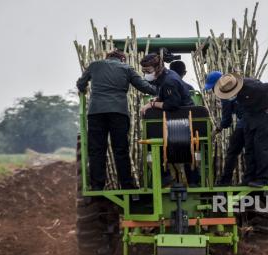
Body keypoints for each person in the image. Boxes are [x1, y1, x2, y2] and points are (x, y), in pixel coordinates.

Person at [76, 49, 158, 190]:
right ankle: (126, 185)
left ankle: (97, 186)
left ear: (107, 58)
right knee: (120, 150)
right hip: (118, 113)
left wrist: (83, 89)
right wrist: (160, 91)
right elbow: (143, 86)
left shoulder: (94, 65)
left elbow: (80, 83)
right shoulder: (126, 68)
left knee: (97, 150)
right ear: (122, 59)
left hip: (96, 112)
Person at [212, 72, 268, 187]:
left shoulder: (254, 86)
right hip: (249, 116)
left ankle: (262, 179)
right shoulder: (229, 89)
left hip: (266, 114)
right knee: (250, 148)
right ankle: (249, 178)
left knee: (262, 147)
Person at [139, 53, 200, 187]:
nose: (146, 74)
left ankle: (172, 178)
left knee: (162, 142)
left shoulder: (169, 81)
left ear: (157, 67)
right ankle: (191, 180)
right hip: (179, 117)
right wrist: (157, 99)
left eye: (148, 71)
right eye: (144, 71)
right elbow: (165, 95)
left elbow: (172, 104)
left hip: (182, 118)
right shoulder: (166, 75)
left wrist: (152, 105)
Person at [204, 71, 245, 186]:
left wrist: (216, 130)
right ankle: (252, 178)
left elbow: (227, 121)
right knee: (250, 150)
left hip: (246, 122)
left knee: (232, 151)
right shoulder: (237, 86)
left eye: (212, 88)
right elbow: (237, 107)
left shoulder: (225, 92)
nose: (213, 91)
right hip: (256, 121)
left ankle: (225, 181)